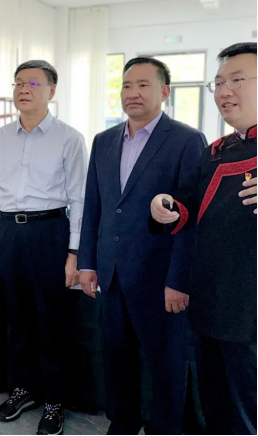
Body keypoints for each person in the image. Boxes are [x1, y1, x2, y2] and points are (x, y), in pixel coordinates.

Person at [78, 57, 208, 435]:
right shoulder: (103, 141)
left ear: (164, 91)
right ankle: (122, 423)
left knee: (166, 364)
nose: (132, 93)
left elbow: (192, 217)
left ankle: (166, 429)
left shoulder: (186, 140)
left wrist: (179, 280)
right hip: (112, 274)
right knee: (116, 358)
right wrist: (88, 262)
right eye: (126, 85)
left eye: (143, 85)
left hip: (159, 277)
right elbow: (94, 206)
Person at [151, 42, 257, 436]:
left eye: (237, 80)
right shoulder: (217, 151)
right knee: (216, 406)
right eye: (219, 83)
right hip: (212, 303)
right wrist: (164, 208)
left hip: (251, 312)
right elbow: (188, 206)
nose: (224, 91)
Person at [0, 60, 88, 436]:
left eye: (34, 83)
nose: (23, 89)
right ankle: (23, 389)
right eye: (18, 83)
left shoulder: (69, 138)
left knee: (50, 320)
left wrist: (74, 253)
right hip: (7, 232)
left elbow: (80, 200)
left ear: (51, 91)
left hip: (49, 232)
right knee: (16, 317)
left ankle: (55, 400)